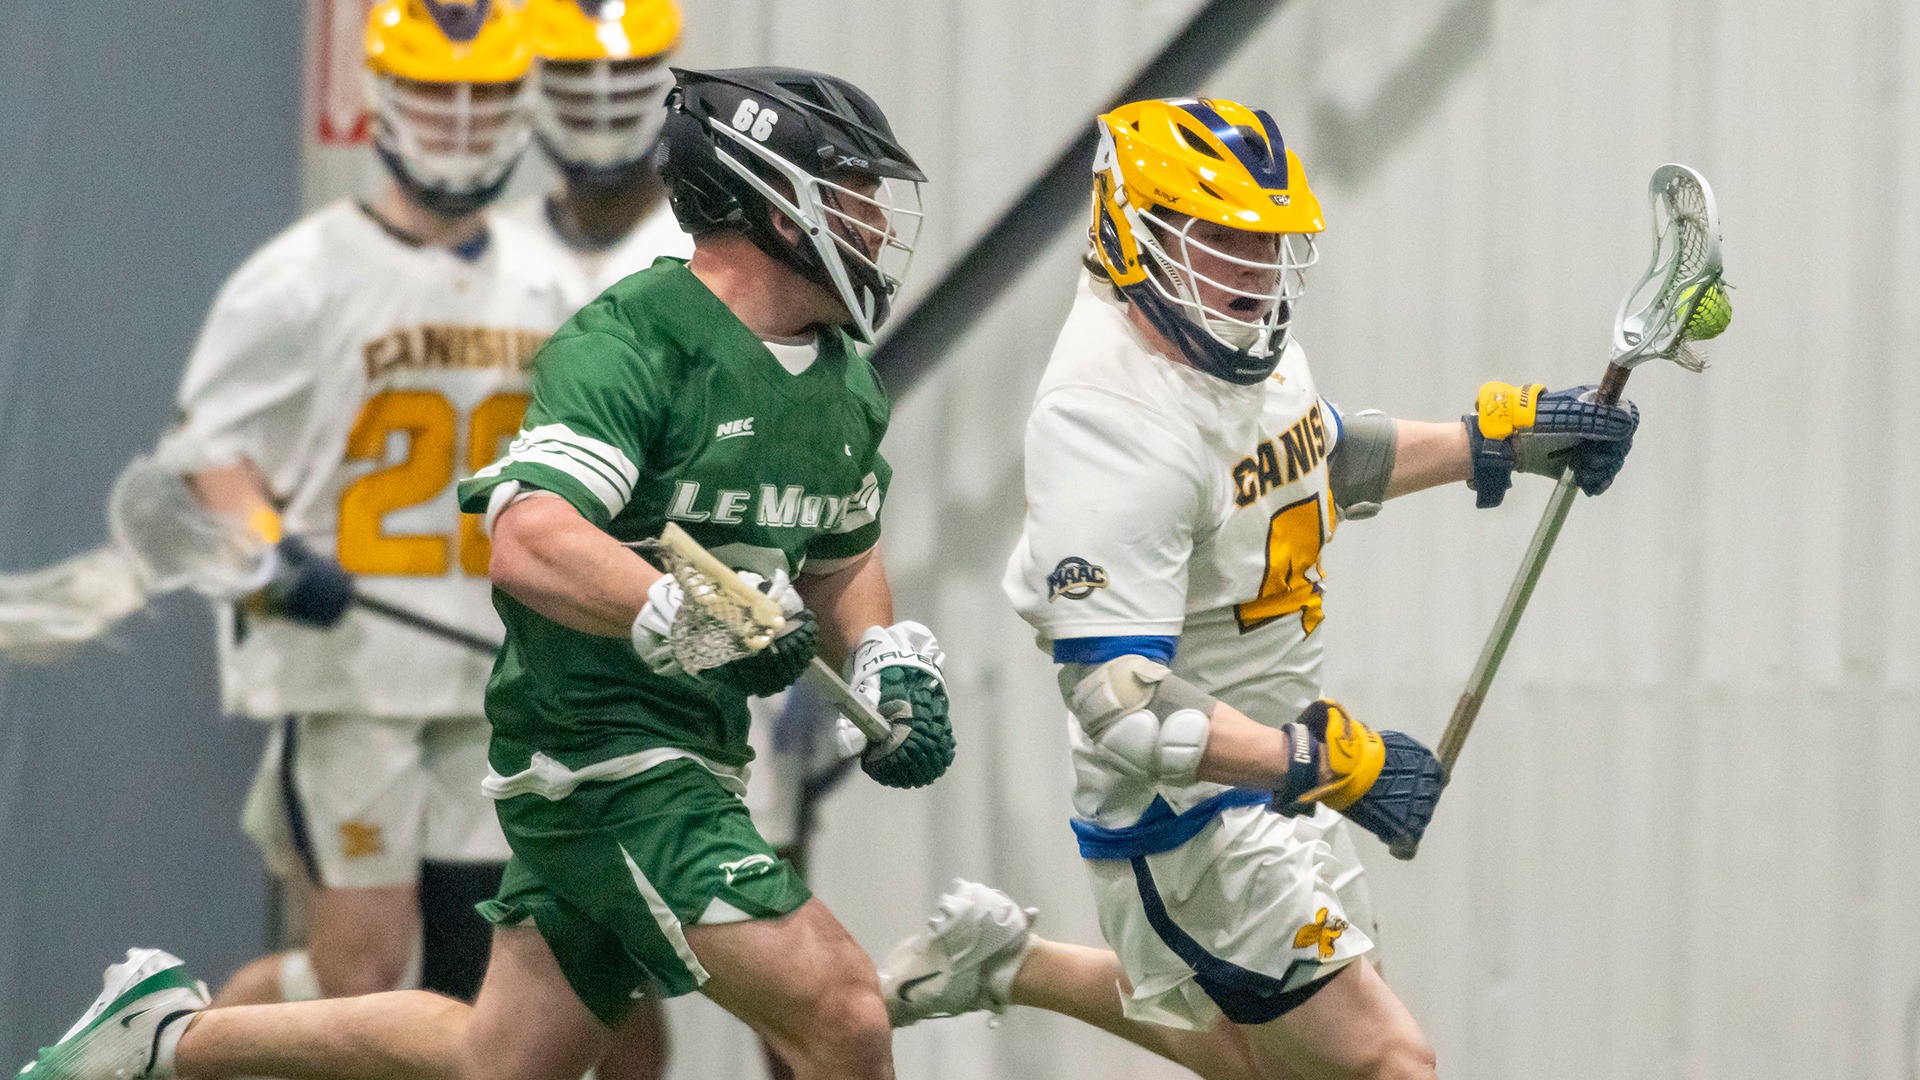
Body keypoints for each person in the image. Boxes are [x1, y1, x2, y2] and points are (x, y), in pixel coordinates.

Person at [16, 65, 954, 1080]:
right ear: (773, 200)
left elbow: (840, 550)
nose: (872, 220)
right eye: (852, 189)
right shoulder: (631, 341)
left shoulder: (844, 382)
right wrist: (681, 609)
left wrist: (884, 658)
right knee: (846, 1009)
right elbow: (529, 536)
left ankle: (165, 1038)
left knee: (491, 1060)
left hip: (695, 748)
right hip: (605, 762)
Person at [878, 96, 1639, 1080]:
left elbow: (1314, 459)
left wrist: (1493, 440)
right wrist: (1328, 764)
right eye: (1217, 239)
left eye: (1266, 240)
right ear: (1129, 231)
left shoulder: (1231, 342)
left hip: (1278, 766)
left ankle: (1007, 960)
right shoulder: (1108, 419)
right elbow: (1124, 705)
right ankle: (1010, 963)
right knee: (1387, 1065)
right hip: (1188, 811)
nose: (1250, 271)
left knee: (1265, 1067)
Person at [172, 0, 567, 1016]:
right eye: (438, 94)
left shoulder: (553, 284)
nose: (464, 121)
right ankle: (173, 1043)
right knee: (360, 971)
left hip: (495, 668)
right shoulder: (300, 277)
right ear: (386, 100)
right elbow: (211, 453)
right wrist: (266, 551)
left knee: (476, 980)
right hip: (355, 667)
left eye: (486, 97)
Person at [504, 0, 694, 310]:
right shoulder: (504, 247)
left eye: (625, 72)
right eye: (575, 71)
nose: (602, 97)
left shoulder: (707, 254)